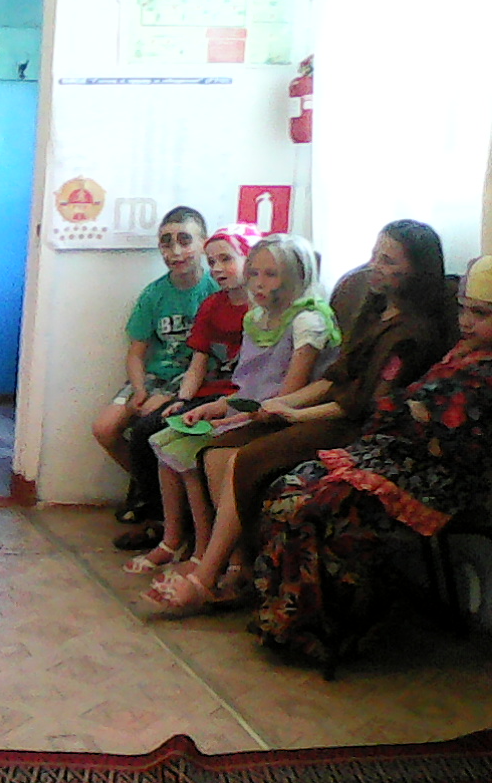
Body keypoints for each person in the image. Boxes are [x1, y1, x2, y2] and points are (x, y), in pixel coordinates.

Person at [141, 220, 454, 618]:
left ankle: (204, 578)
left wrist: (295, 412)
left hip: (353, 426)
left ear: (416, 271)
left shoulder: (411, 335)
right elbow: (334, 379)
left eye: (388, 260)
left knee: (242, 459)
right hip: (324, 410)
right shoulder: (374, 310)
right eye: (375, 254)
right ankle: (235, 568)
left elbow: (361, 406)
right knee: (214, 457)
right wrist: (288, 405)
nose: (374, 265)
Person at [251, 256, 492, 670]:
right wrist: (406, 415)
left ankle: (329, 630)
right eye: (463, 310)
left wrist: (408, 415)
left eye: (481, 314)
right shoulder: (461, 353)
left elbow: (452, 439)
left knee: (317, 506)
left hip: (442, 479)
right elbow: (403, 409)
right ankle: (287, 622)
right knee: (288, 488)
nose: (466, 322)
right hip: (397, 456)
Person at [130, 233, 339, 576]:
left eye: (270, 274)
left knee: (197, 452)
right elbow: (248, 384)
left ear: (296, 277)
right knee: (163, 441)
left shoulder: (308, 321)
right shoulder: (257, 317)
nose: (258, 283)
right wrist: (216, 408)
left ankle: (225, 560)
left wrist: (227, 419)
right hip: (249, 408)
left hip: (279, 417)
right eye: (254, 273)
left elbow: (286, 396)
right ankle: (178, 541)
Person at [121, 223, 258, 572]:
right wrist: (181, 399)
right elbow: (199, 360)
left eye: (227, 260)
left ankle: (198, 544)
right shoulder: (212, 305)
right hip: (207, 392)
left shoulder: (260, 310)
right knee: (151, 432)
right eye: (213, 262)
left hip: (237, 398)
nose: (218, 269)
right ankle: (169, 532)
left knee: (177, 443)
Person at [91, 206, 216, 547]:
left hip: (193, 379)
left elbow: (210, 360)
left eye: (185, 240)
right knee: (105, 428)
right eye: (166, 242)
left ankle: (160, 505)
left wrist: (170, 398)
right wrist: (140, 390)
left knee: (150, 425)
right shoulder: (154, 294)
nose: (175, 251)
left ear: (203, 243)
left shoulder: (213, 291)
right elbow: (136, 352)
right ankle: (150, 490)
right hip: (154, 377)